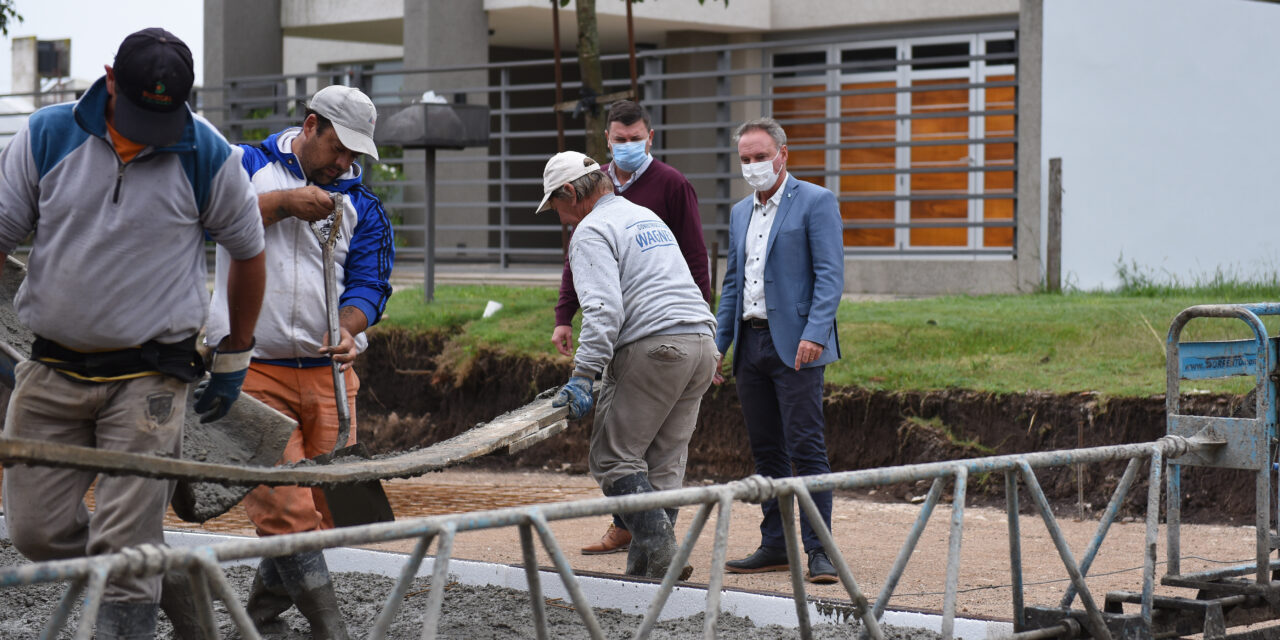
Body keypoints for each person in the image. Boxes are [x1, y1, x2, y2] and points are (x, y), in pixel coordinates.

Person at [0, 28, 266, 639]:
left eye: (164, 116)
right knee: (33, 532)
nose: (151, 132)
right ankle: (164, 574)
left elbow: (248, 253)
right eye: (141, 114)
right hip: (53, 368)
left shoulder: (207, 154)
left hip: (149, 377)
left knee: (125, 545)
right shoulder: (48, 136)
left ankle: (134, 589)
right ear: (109, 79)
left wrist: (235, 354)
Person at [204, 85, 394, 639]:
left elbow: (370, 282)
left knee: (324, 512)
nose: (345, 163)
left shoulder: (364, 205)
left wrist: (353, 326)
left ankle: (257, 621)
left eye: (355, 155)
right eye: (339, 149)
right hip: (249, 368)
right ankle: (330, 630)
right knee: (286, 509)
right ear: (311, 125)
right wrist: (283, 204)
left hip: (330, 375)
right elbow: (207, 220)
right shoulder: (242, 165)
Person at [540, 151, 716, 580]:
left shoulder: (591, 230)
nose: (561, 218)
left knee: (613, 458)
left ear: (569, 193)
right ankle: (645, 576)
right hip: (702, 345)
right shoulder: (645, 217)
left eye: (557, 207)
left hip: (655, 346)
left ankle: (663, 557)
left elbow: (603, 309)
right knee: (665, 462)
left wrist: (583, 375)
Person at [714, 118, 844, 585]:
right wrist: (717, 347)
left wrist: (815, 332)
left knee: (807, 447)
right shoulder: (738, 213)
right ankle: (775, 545)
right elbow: (732, 283)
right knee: (766, 451)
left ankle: (821, 551)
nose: (753, 166)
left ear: (782, 154)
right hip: (750, 343)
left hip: (798, 346)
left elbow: (830, 276)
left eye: (760, 156)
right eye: (745, 159)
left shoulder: (815, 201)